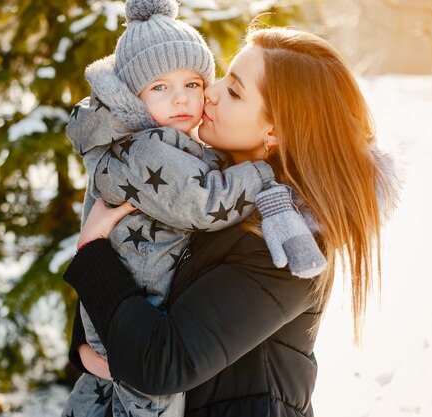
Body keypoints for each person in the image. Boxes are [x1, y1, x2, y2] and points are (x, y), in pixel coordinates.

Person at [63, 26, 400, 417]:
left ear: (276, 131)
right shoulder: (199, 186)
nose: (210, 91)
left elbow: (157, 365)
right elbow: (119, 298)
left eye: (235, 91)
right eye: (223, 75)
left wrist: (92, 250)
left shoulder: (289, 241)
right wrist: (99, 346)